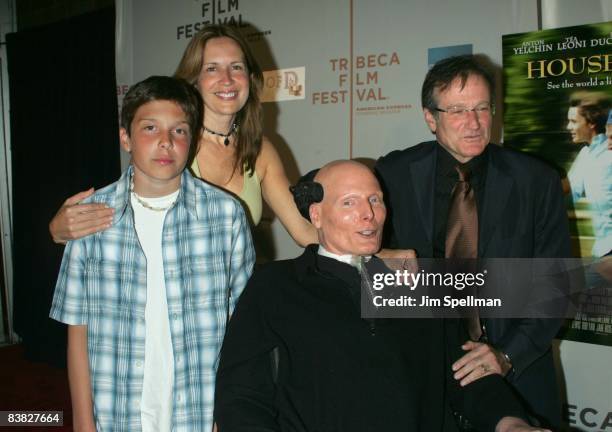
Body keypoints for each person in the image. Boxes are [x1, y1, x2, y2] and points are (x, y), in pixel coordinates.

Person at [214, 160, 549, 432]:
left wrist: (511, 423)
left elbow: (465, 377)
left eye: (375, 199)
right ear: (316, 215)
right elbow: (241, 397)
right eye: (350, 202)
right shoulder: (274, 286)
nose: (369, 214)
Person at [375, 55, 571, 428]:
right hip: (425, 375)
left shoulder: (536, 181)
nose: (475, 123)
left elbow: (556, 285)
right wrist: (380, 254)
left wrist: (506, 355)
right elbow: (343, 231)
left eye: (482, 108)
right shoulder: (394, 174)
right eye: (458, 111)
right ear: (430, 118)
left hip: (519, 374)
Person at [49, 76, 255, 431]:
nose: (165, 142)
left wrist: (229, 414)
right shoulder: (89, 218)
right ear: (125, 137)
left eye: (179, 131)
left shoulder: (226, 215)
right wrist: (83, 423)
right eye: (149, 128)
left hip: (200, 411)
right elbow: (77, 330)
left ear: (191, 142)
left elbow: (245, 327)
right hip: (117, 411)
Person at [48, 24, 317, 247]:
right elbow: (126, 217)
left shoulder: (260, 150)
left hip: (238, 298)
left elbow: (305, 233)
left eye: (236, 67)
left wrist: (358, 245)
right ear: (193, 80)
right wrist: (61, 230)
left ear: (250, 77)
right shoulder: (175, 144)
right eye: (211, 68)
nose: (227, 79)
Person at [565, 91, 612, 257]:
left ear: (591, 123)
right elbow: (567, 193)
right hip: (601, 250)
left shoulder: (609, 153)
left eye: (573, 121)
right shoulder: (585, 155)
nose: (568, 127)